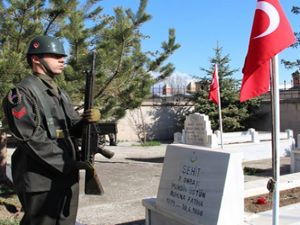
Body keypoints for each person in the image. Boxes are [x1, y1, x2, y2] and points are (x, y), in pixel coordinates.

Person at [2, 35, 101, 225]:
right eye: (55, 56)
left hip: (66, 174)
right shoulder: (20, 94)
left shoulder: (60, 93)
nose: (62, 60)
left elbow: (71, 128)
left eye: (62, 56)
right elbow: (30, 138)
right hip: (40, 178)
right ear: (36, 59)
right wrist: (68, 164)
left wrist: (88, 121)